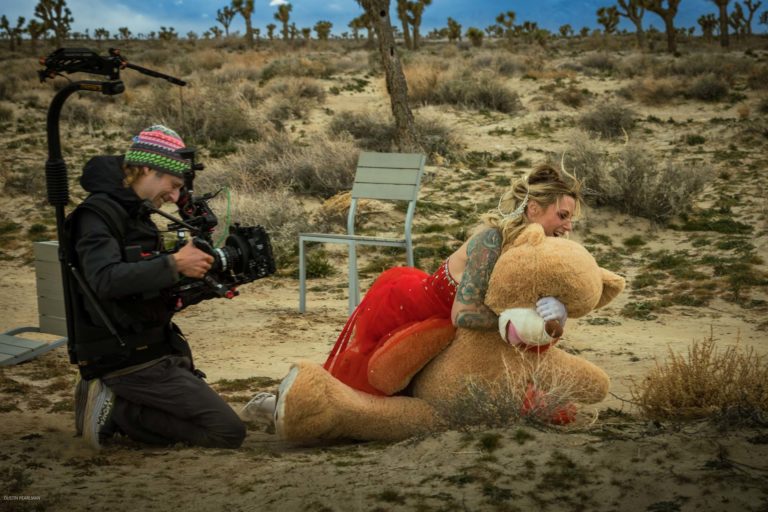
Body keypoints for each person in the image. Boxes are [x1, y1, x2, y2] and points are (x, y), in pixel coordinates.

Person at [242, 163, 582, 422]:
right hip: (412, 308)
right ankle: (278, 403)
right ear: (533, 208)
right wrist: (515, 322)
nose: (568, 226)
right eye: (563, 215)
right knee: (365, 385)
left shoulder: (537, 252)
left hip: (450, 331)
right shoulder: (491, 241)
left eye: (571, 220)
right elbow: (463, 313)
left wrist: (555, 312)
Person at [69, 125, 246, 450]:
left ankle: (119, 405)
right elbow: (105, 279)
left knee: (215, 425)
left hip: (152, 346)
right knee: (227, 432)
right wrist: (175, 264)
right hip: (126, 358)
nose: (175, 197)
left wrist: (203, 280)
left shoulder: (133, 212)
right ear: (148, 169)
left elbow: (141, 285)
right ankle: (116, 411)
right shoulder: (98, 215)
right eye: (174, 185)